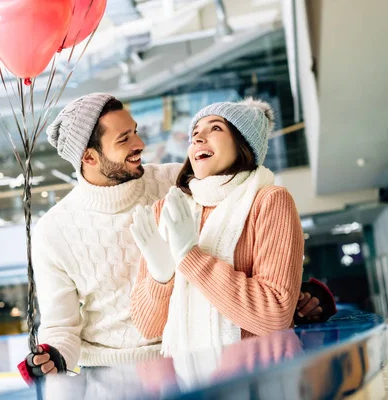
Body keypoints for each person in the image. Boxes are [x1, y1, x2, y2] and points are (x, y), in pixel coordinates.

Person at [18, 93, 334, 383]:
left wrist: (296, 295)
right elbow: (62, 326)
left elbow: (245, 223)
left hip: (188, 360)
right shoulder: (53, 231)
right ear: (89, 158)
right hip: (114, 372)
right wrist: (52, 357)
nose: (140, 144)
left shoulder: (178, 184)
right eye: (124, 139)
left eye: (136, 131)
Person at [129, 99, 304, 355]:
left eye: (216, 128)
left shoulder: (269, 201)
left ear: (244, 143)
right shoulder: (167, 211)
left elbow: (274, 314)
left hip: (260, 379)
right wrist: (161, 276)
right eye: (195, 133)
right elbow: (148, 327)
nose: (198, 138)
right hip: (191, 383)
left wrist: (191, 256)